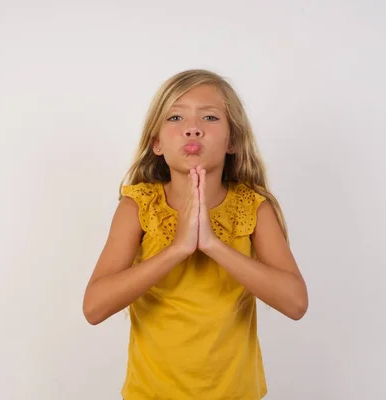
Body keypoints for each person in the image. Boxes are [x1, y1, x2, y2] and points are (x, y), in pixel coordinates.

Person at [82, 69, 308, 399]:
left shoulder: (254, 209)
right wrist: (177, 249)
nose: (192, 127)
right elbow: (94, 308)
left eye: (210, 117)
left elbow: (295, 303)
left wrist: (213, 244)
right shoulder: (139, 207)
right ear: (156, 143)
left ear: (233, 140)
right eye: (175, 116)